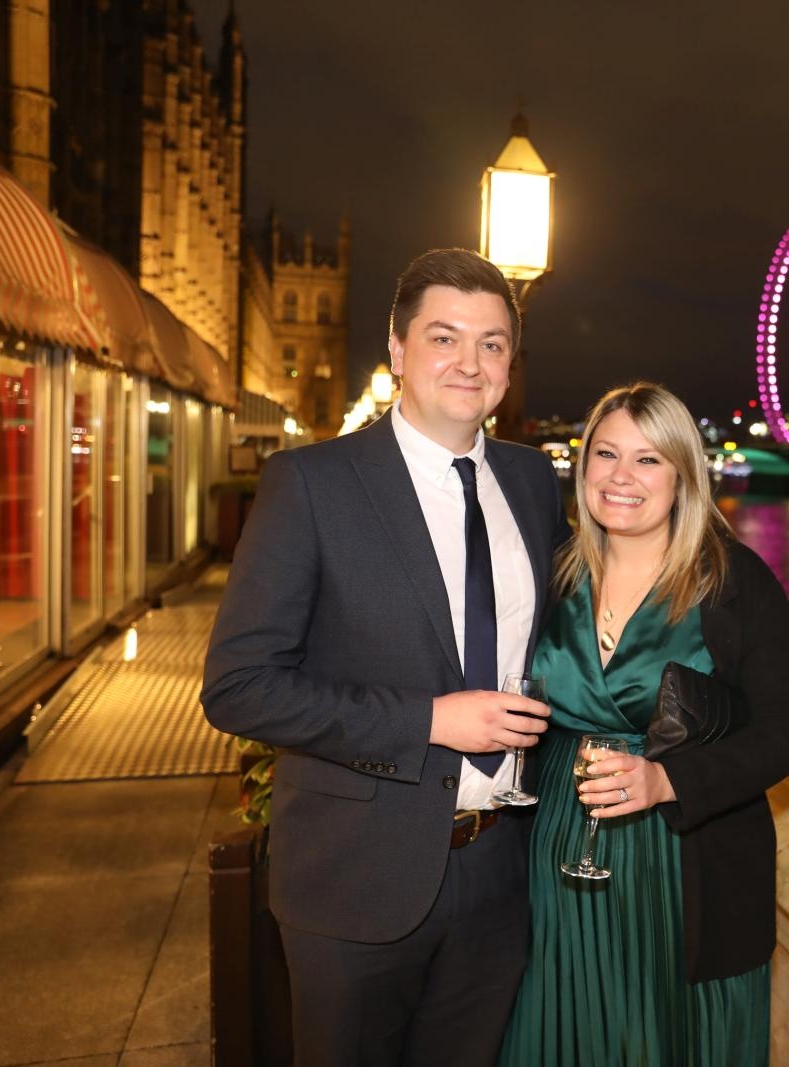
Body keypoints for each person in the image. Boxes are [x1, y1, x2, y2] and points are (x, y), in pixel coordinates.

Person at [202, 248, 570, 1066]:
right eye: (444, 337)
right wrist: (428, 720)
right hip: (353, 879)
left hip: (499, 873)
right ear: (397, 350)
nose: (469, 362)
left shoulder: (533, 481)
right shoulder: (311, 483)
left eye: (492, 343)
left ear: (510, 365)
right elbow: (239, 686)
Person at [501, 382, 789, 1066]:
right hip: (555, 849)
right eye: (606, 454)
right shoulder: (552, 573)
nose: (622, 475)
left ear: (683, 477)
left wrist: (669, 780)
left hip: (681, 865)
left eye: (648, 459)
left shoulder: (733, 581)